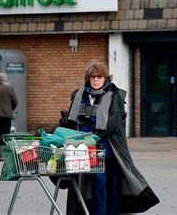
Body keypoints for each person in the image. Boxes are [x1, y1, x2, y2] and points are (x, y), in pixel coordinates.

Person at [62, 62, 159, 214]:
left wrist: (94, 137)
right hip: (88, 148)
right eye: (92, 77)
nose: (95, 80)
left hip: (111, 147)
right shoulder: (79, 95)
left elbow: (112, 124)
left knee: (114, 184)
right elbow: (72, 122)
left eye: (99, 77)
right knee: (98, 180)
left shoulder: (115, 95)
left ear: (105, 78)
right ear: (88, 79)